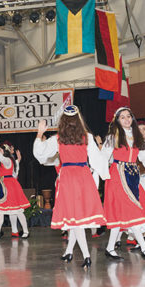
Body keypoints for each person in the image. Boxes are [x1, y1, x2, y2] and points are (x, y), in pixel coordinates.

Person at [33, 105, 109, 269]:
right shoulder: (86, 137)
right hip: (83, 177)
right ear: (79, 119)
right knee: (76, 219)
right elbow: (97, 160)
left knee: (75, 220)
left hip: (68, 177)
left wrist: (39, 133)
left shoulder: (57, 138)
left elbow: (40, 154)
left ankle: (87, 256)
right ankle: (69, 252)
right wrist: (102, 175)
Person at [101, 107, 145, 260]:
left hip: (133, 176)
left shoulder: (136, 137)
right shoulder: (112, 137)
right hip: (118, 176)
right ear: (117, 120)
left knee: (123, 213)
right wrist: (100, 175)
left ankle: (109, 248)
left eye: (129, 116)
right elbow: (103, 159)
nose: (127, 119)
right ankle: (144, 248)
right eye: (123, 117)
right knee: (131, 210)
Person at [0, 138, 30, 239]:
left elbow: (3, 159)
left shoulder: (7, 160)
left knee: (18, 211)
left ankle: (25, 231)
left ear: (4, 151)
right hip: (4, 186)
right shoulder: (5, 161)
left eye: (0, 150)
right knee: (0, 211)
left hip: (10, 187)